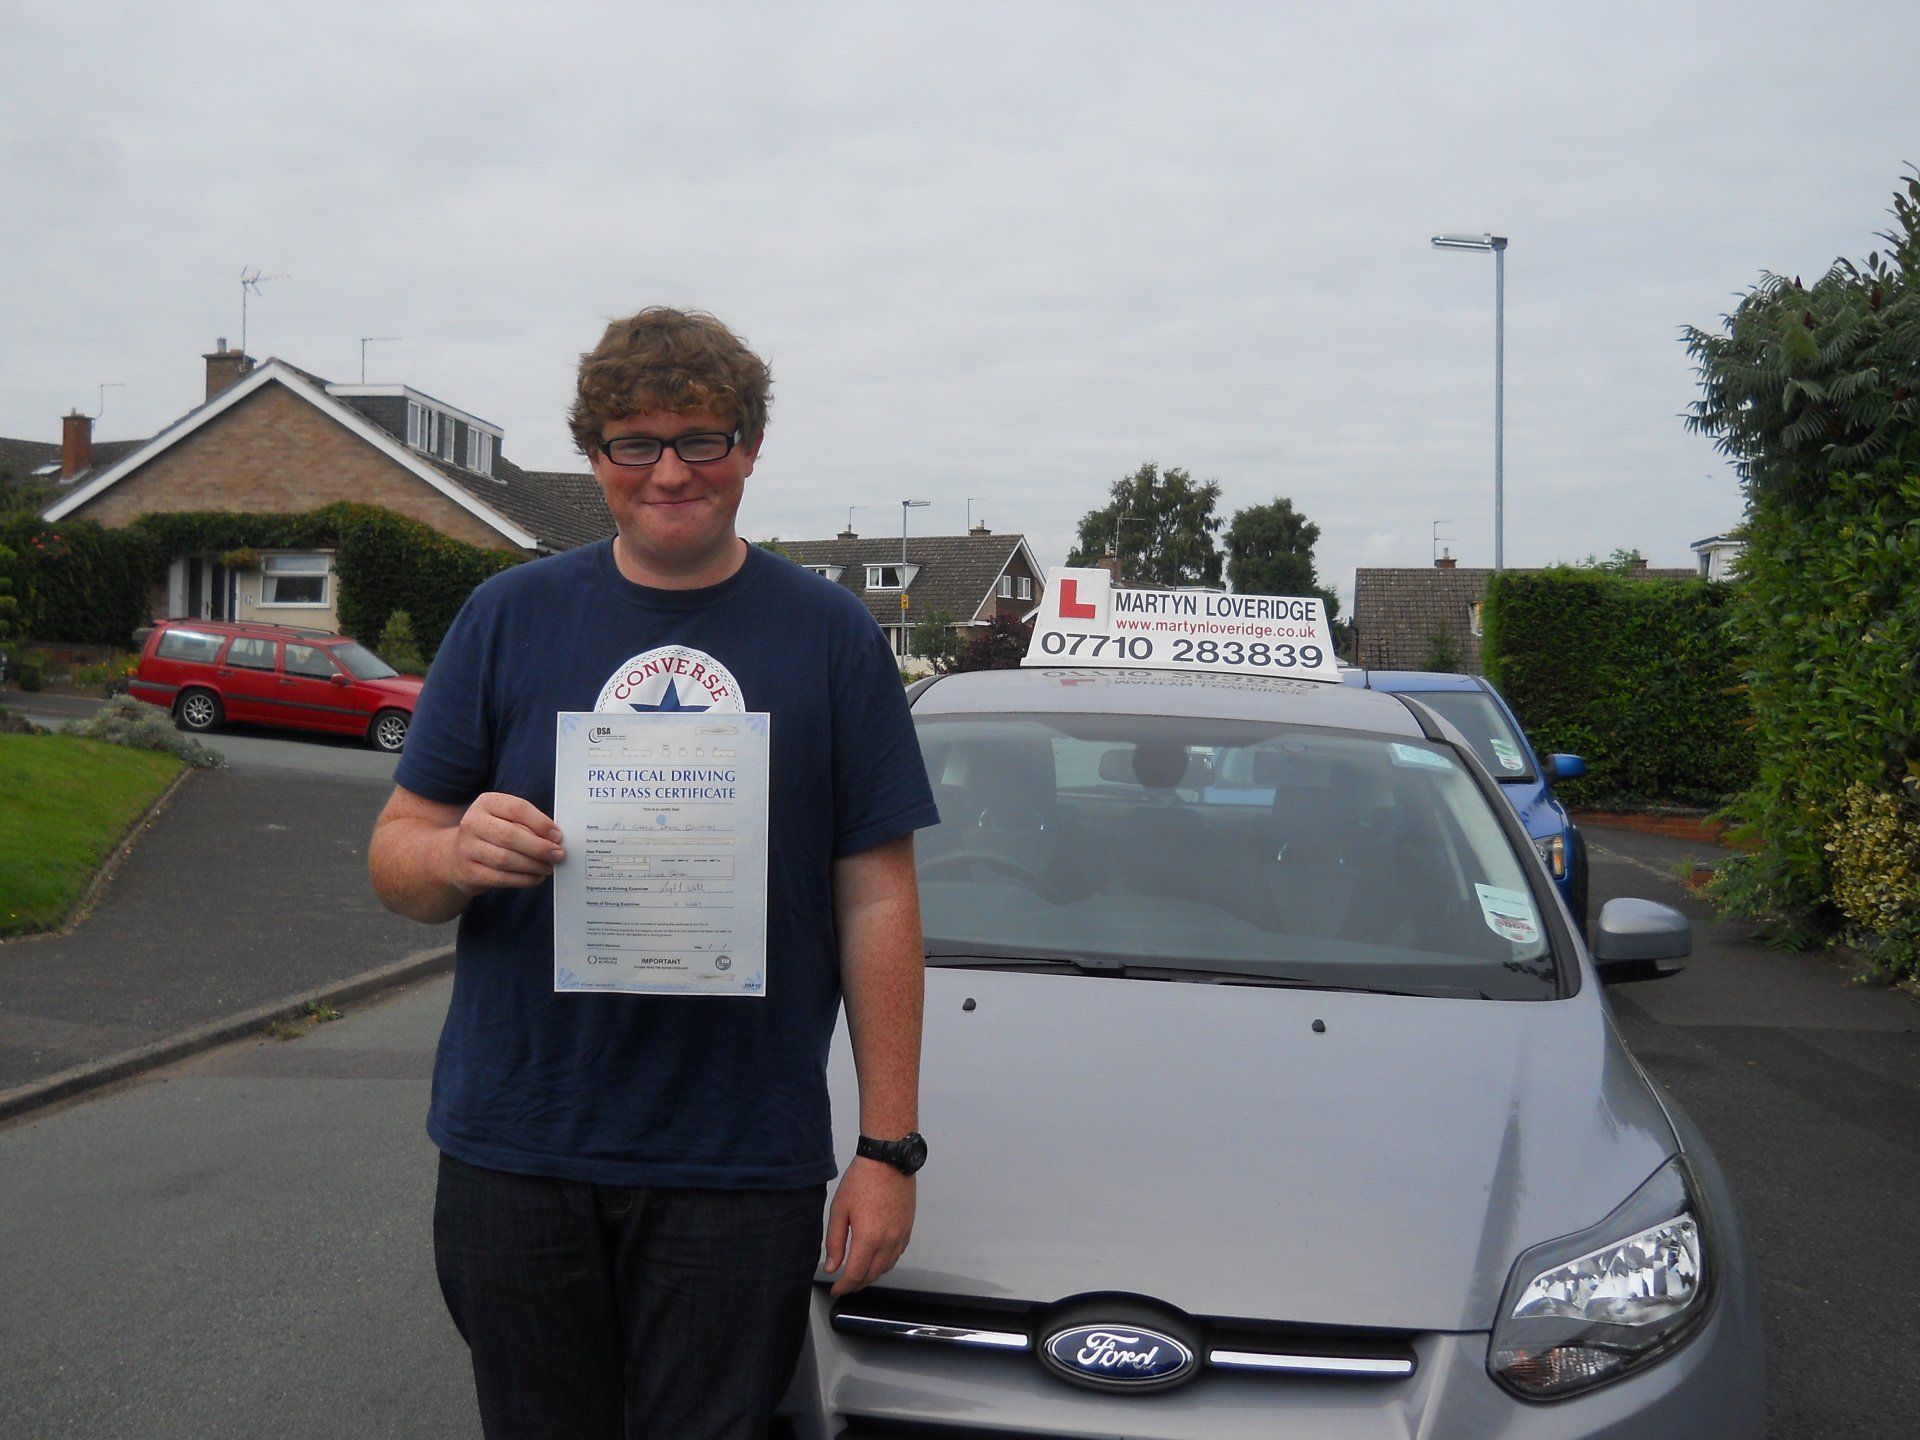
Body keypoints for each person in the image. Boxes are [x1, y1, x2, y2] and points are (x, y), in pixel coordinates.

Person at [367, 307, 939, 1440]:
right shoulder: (506, 617)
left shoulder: (831, 637)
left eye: (702, 440)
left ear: (750, 449)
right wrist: (454, 853)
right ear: (595, 457)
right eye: (637, 443)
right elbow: (399, 859)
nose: (669, 470)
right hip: (519, 1144)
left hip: (737, 1160)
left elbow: (877, 895)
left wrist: (888, 1148)